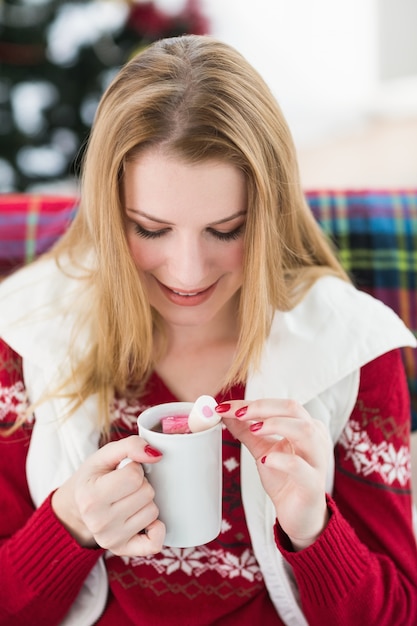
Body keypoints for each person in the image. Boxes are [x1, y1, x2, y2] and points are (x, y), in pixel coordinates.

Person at [0, 34, 416, 626]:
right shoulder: (26, 337)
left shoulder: (351, 351)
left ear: (268, 215)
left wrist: (315, 530)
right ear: (107, 211)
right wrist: (67, 524)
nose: (188, 274)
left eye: (226, 230)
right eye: (150, 228)